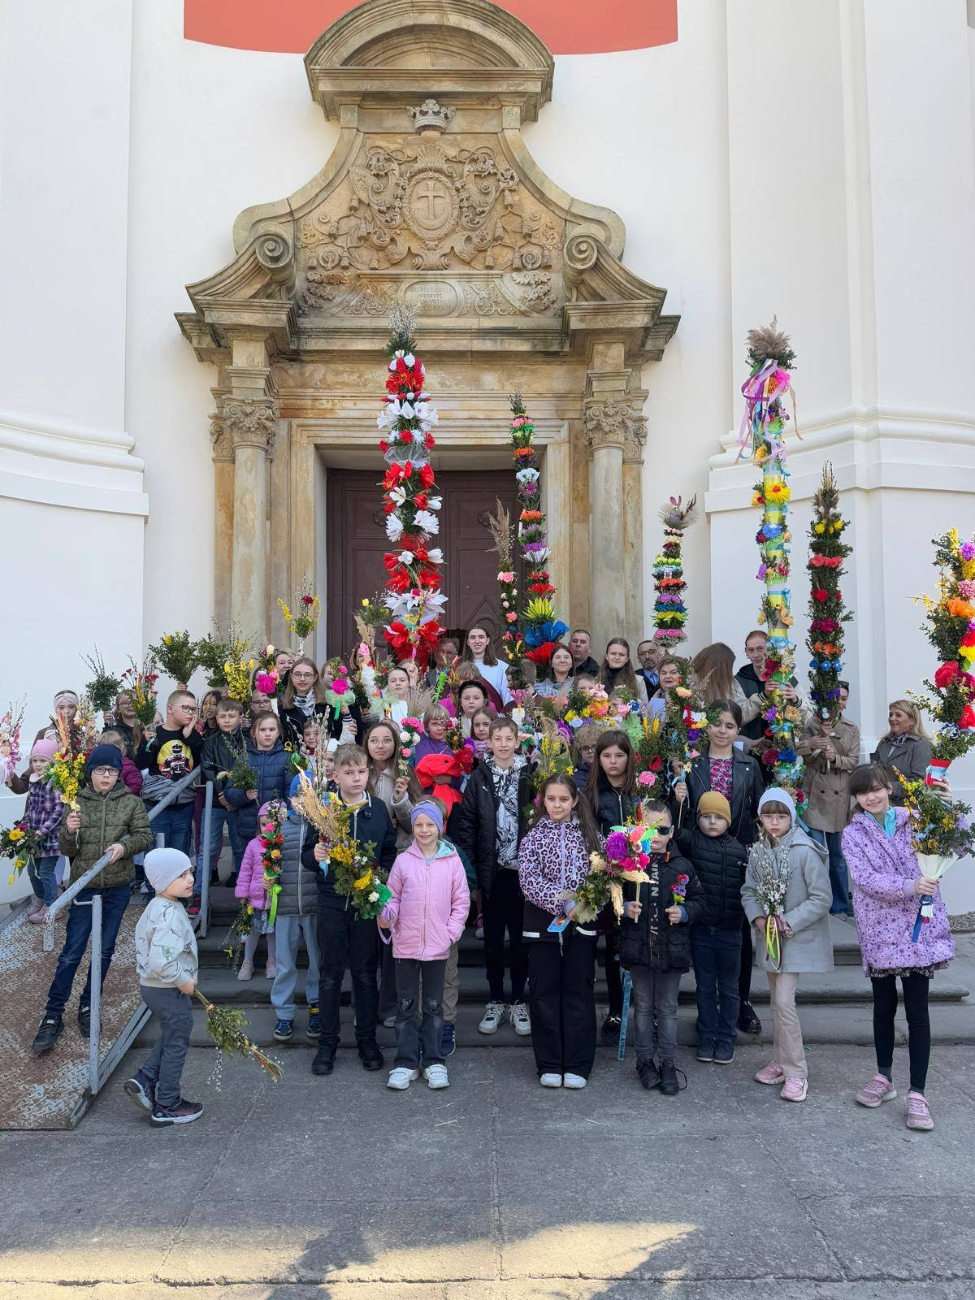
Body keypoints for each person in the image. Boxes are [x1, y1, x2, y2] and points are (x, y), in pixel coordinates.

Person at [842, 764, 954, 1131]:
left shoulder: (916, 819)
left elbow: (955, 838)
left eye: (876, 789)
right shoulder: (852, 834)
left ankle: (917, 1093)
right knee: (883, 1006)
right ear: (856, 798)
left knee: (918, 1012)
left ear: (889, 788)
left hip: (917, 927)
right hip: (880, 928)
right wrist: (910, 886)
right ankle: (884, 1076)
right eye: (863, 792)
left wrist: (947, 804)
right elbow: (865, 879)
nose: (871, 797)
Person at [30, 744, 153, 1055]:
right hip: (84, 887)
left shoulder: (132, 802)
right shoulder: (75, 802)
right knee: (71, 952)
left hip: (117, 887)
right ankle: (53, 1014)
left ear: (118, 773)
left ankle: (88, 1004)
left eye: (111, 770)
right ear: (91, 773)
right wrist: (69, 832)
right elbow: (68, 850)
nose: (106, 776)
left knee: (104, 950)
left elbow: (144, 835)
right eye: (100, 770)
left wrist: (124, 846)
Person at [673, 700, 764, 1036]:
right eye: (716, 724)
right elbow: (680, 814)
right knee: (702, 926)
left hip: (736, 854)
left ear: (738, 729)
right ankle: (706, 1007)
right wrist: (677, 795)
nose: (722, 731)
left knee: (738, 930)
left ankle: (741, 1001)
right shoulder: (693, 763)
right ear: (706, 727)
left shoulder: (749, 765)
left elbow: (758, 810)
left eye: (729, 726)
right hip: (700, 856)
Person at [305, 743, 397, 1076]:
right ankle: (327, 1044)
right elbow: (307, 854)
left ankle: (367, 1041)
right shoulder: (325, 809)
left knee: (365, 974)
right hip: (332, 902)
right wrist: (315, 855)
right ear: (336, 776)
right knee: (330, 975)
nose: (357, 778)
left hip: (365, 904)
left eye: (361, 771)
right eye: (349, 772)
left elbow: (389, 851)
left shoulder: (379, 809)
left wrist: (377, 880)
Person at [741, 788, 833, 1103]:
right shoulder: (758, 850)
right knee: (776, 1002)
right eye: (768, 816)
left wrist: (787, 920)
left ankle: (796, 1072)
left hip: (794, 937)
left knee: (784, 1002)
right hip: (770, 939)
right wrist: (758, 919)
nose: (774, 822)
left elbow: (822, 897)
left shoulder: (804, 851)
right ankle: (780, 1061)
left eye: (781, 816)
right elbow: (749, 890)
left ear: (791, 817)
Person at [518, 774, 604, 1089]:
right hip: (543, 928)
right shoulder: (533, 838)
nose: (557, 805)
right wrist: (563, 902)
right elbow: (529, 879)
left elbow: (604, 876)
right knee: (544, 993)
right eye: (552, 799)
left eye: (564, 799)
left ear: (575, 801)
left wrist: (588, 902)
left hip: (581, 927)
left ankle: (578, 1063)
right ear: (543, 801)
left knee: (578, 992)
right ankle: (550, 1062)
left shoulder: (592, 837)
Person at [380, 799, 470, 1091]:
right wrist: (386, 914)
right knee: (406, 1006)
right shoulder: (404, 860)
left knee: (433, 1006)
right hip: (406, 945)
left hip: (437, 946)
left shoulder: (452, 860)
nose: (424, 829)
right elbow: (393, 896)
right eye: (419, 824)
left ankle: (433, 1060)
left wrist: (450, 933)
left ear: (439, 827)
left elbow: (461, 901)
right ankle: (406, 1062)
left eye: (430, 824)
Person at [455, 716, 533, 1036]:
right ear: (489, 742)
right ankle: (496, 1000)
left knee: (520, 940)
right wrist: (472, 874)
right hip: (492, 871)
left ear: (517, 741)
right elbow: (467, 825)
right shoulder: (479, 777)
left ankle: (519, 1001)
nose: (502, 744)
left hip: (522, 872)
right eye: (497, 738)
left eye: (508, 738)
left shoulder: (529, 775)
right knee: (492, 941)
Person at [620, 801, 703, 1095]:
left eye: (662, 829)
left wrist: (685, 912)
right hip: (639, 947)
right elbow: (612, 897)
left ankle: (667, 1062)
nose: (655, 836)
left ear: (672, 831)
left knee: (667, 1008)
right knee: (643, 1006)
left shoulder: (683, 865)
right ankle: (644, 1061)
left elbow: (700, 900)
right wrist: (625, 907)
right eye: (648, 829)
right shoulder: (629, 864)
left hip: (671, 949)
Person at [125, 847, 203, 1126]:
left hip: (153, 987)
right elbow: (162, 961)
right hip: (167, 988)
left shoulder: (157, 906)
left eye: (190, 872)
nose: (190, 879)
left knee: (172, 1033)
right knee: (177, 1041)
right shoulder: (169, 915)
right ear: (162, 880)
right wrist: (184, 981)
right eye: (181, 875)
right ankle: (168, 1104)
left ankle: (146, 1078)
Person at [675, 791, 749, 1065]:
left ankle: (726, 1036)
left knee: (729, 987)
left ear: (728, 820)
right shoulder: (693, 842)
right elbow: (674, 832)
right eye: (706, 817)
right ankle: (706, 1035)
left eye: (719, 817)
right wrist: (677, 802)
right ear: (698, 819)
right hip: (702, 930)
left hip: (730, 930)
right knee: (705, 986)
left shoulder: (740, 850)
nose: (713, 822)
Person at [586, 728, 639, 1043]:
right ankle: (616, 1009)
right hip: (609, 878)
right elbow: (590, 835)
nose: (613, 761)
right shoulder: (592, 794)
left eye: (619, 755)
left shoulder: (640, 791)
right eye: (607, 755)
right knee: (614, 947)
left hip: (640, 877)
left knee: (642, 943)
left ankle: (647, 1010)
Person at [797, 681, 861, 917]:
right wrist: (812, 744)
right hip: (814, 793)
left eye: (843, 698)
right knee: (814, 853)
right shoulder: (810, 722)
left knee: (837, 856)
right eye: (835, 698)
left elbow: (853, 761)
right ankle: (815, 904)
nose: (839, 703)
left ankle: (840, 906)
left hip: (838, 794)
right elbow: (796, 749)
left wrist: (835, 758)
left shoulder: (851, 728)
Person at [269, 774, 322, 1043]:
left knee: (317, 962)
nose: (302, 800)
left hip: (315, 906)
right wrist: (268, 879)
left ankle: (317, 1007)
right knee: (285, 964)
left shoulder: (322, 825)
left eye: (308, 795)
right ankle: (284, 1013)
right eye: (298, 795)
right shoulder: (279, 827)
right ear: (290, 799)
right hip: (286, 907)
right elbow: (270, 863)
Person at [142, 690, 203, 856]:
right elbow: (142, 763)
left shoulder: (192, 735)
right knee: (157, 853)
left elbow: (203, 760)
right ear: (170, 709)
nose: (190, 713)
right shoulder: (155, 734)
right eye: (186, 708)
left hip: (184, 805)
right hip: (158, 804)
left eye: (193, 709)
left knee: (179, 853)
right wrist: (146, 744)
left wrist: (190, 736)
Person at [200, 697, 248, 893]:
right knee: (208, 848)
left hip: (239, 802)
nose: (227, 720)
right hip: (215, 802)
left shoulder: (247, 741)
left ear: (240, 718)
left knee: (240, 847)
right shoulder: (211, 741)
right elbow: (208, 768)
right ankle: (199, 891)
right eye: (222, 716)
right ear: (217, 718)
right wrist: (221, 793)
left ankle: (244, 893)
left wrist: (233, 794)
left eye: (231, 716)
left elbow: (247, 769)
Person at [224, 710, 292, 844]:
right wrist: (244, 795)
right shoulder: (243, 758)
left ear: (278, 732)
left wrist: (284, 815)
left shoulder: (286, 758)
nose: (268, 733)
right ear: (253, 732)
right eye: (263, 730)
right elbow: (229, 791)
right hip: (248, 826)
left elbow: (290, 794)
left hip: (277, 827)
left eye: (272, 729)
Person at [233, 801, 280, 981]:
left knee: (272, 932)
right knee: (253, 931)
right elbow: (245, 870)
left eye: (270, 824)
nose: (266, 828)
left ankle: (272, 961)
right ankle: (247, 961)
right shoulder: (253, 845)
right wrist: (243, 893)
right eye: (262, 824)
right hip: (256, 897)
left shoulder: (282, 844)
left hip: (275, 898)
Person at [20, 738, 63, 923]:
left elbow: (59, 811)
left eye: (43, 761)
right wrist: (23, 826)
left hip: (50, 838)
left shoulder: (55, 783)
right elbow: (32, 808)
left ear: (52, 762)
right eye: (35, 760)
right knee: (32, 870)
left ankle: (53, 907)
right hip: (34, 837)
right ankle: (41, 898)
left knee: (46, 872)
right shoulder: (34, 781)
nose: (38, 764)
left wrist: (44, 830)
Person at [279, 656, 361, 748]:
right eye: (297, 674)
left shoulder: (329, 704)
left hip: (328, 755)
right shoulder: (282, 708)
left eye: (307, 675)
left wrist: (348, 727)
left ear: (315, 677)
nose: (302, 679)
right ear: (291, 677)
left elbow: (340, 735)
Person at [871, 700, 933, 805]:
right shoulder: (884, 742)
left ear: (912, 720)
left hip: (908, 807)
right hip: (880, 804)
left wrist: (890, 787)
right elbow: (874, 768)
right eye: (890, 715)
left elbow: (920, 781)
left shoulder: (920, 745)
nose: (892, 719)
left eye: (898, 715)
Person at [464, 626, 511, 709]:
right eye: (472, 637)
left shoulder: (502, 667)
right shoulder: (460, 667)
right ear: (468, 642)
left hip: (494, 716)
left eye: (481, 637)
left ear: (487, 640)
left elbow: (508, 699)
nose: (477, 641)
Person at [735, 630, 768, 743]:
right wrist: (763, 696)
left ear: (770, 648)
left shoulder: (785, 675)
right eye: (751, 650)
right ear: (746, 652)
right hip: (750, 747)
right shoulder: (738, 680)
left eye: (760, 649)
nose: (756, 655)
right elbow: (737, 718)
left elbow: (805, 714)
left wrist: (794, 700)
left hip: (783, 746)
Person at [598, 638, 649, 706]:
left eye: (621, 655)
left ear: (627, 659)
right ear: (606, 656)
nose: (617, 657)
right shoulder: (596, 679)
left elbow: (645, 707)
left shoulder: (638, 681)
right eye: (613, 653)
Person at [99, 730, 144, 796]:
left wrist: (120, 793)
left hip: (124, 799)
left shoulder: (127, 766)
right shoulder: (100, 766)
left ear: (119, 748)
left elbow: (136, 786)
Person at [571, 723, 602, 792]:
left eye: (594, 746)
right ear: (580, 752)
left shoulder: (610, 769)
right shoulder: (578, 777)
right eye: (585, 748)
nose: (590, 751)